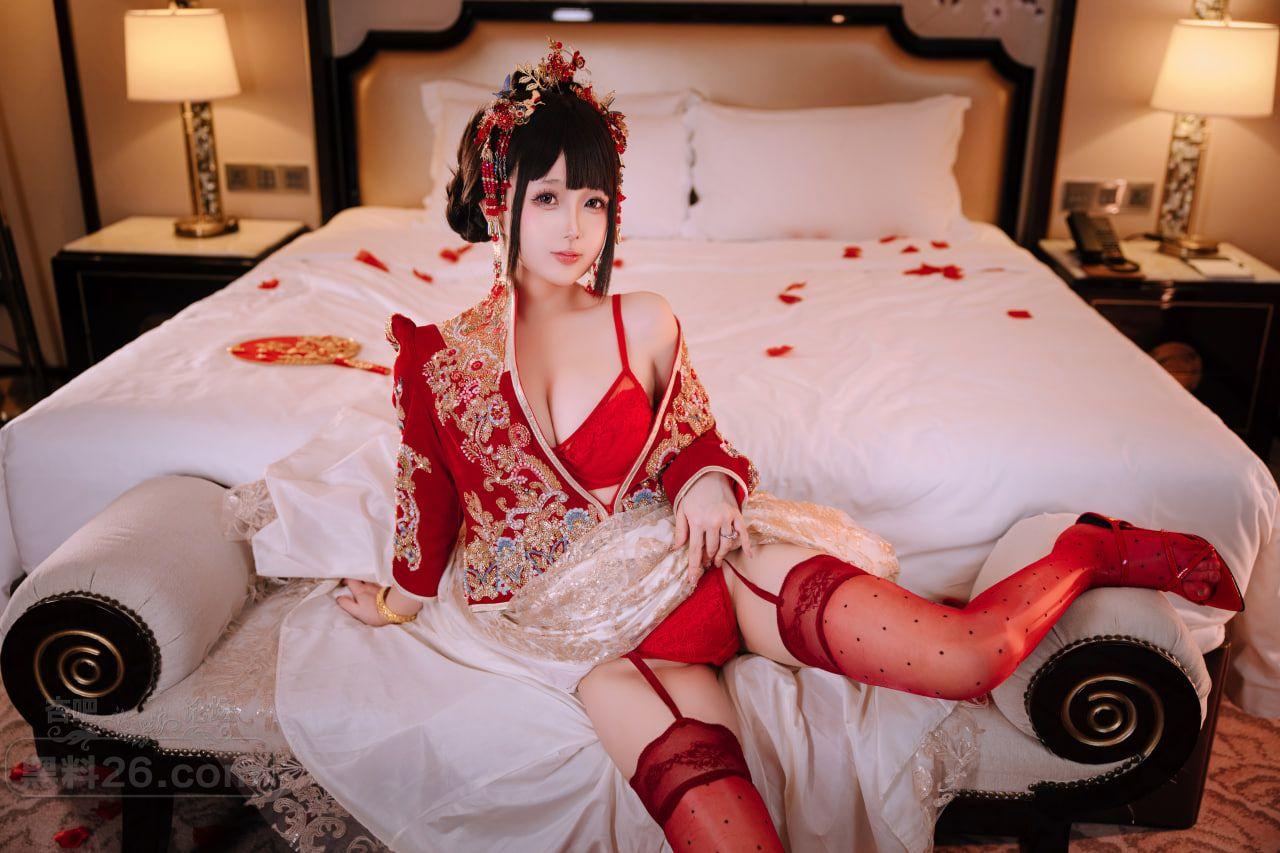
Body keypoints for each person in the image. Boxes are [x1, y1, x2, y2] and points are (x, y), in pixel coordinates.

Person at [333, 39, 1244, 851]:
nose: (575, 227)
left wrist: (706, 481)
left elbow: (694, 437)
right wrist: (395, 604)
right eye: (547, 198)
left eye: (594, 200)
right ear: (498, 200)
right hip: (597, 645)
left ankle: (1088, 547)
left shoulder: (642, 321)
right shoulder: (434, 362)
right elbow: (429, 514)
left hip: (718, 569)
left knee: (969, 657)